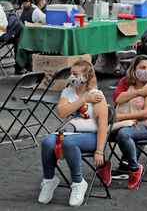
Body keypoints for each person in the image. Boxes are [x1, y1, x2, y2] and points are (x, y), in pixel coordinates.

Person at [38, 61, 107, 207]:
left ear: (86, 76)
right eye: (71, 73)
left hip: (91, 136)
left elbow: (102, 126)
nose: (71, 76)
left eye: (75, 74)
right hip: (71, 132)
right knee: (47, 142)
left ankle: (78, 183)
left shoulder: (97, 95)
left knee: (69, 143)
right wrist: (83, 99)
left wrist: (100, 151)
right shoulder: (68, 91)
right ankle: (49, 180)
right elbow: (62, 113)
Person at [110, 56, 147, 190]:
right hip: (125, 123)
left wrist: (122, 117)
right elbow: (118, 98)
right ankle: (104, 166)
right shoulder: (126, 82)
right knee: (98, 133)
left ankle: (133, 168)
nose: (146, 71)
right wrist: (140, 92)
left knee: (124, 134)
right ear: (134, 69)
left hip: (146, 126)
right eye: (142, 67)